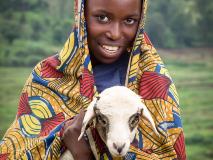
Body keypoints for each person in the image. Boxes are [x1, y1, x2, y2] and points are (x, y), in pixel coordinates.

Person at [0, 0, 186, 159]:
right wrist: (63, 135)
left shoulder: (156, 83)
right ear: (82, 15)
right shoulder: (47, 77)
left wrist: (84, 155)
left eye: (129, 20)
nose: (114, 33)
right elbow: (17, 152)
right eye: (102, 18)